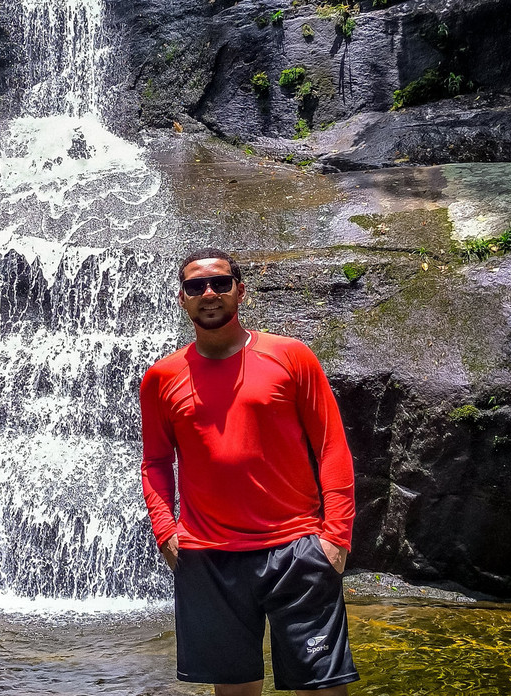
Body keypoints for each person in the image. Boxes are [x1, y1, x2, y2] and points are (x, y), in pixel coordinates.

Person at [140, 247, 358, 695]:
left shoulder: (291, 357)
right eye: (195, 286)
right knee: (235, 691)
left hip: (297, 548)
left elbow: (331, 446)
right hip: (209, 555)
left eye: (220, 282)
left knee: (323, 689)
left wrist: (335, 538)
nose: (209, 293)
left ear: (240, 291)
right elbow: (157, 462)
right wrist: (165, 530)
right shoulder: (161, 378)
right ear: (182, 298)